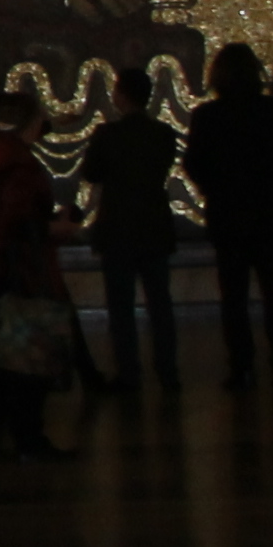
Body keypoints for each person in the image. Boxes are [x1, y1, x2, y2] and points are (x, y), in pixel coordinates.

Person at [184, 43, 273, 388]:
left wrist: (214, 185)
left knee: (234, 296)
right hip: (271, 214)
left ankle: (242, 366)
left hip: (229, 214)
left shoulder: (209, 115)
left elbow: (194, 163)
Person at [0, 92, 73, 461]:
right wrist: (54, 228)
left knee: (10, 359)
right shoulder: (18, 164)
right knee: (28, 359)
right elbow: (19, 221)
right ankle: (24, 436)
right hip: (21, 270)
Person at [78, 95, 184, 392]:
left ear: (121, 97)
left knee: (121, 306)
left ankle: (128, 373)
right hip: (154, 226)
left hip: (118, 227)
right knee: (160, 303)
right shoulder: (163, 133)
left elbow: (91, 172)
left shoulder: (108, 134)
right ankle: (168, 372)